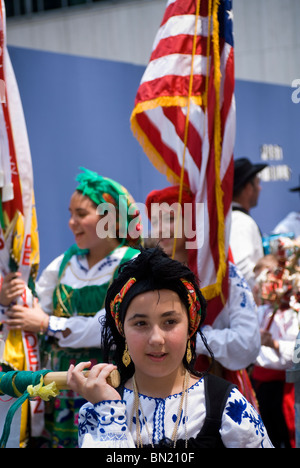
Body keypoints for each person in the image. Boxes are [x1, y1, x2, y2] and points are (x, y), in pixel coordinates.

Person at [67, 247, 273, 448]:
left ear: (190, 327)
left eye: (170, 322)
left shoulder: (228, 404)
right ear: (122, 331)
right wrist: (108, 412)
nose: (156, 338)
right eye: (141, 324)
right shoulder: (99, 408)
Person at [0, 167, 142, 448]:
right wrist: (9, 299)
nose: (71, 222)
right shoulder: (64, 263)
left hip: (110, 385)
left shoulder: (132, 263)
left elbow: (110, 326)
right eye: (70, 213)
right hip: (61, 387)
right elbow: (33, 307)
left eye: (81, 214)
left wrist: (46, 324)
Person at [145, 186, 260, 385]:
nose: (161, 229)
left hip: (215, 388)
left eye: (171, 219)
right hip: (155, 390)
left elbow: (248, 343)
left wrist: (187, 338)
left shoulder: (224, 276)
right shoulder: (143, 273)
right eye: (155, 221)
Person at [251, 249, 299, 448]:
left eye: (267, 280)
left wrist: (275, 344)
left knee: (284, 434)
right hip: (258, 381)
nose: (261, 286)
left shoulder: (294, 314)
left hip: (281, 385)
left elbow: (296, 353)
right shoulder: (262, 310)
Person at [230, 157, 267, 290]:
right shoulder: (240, 221)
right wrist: (264, 292)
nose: (260, 188)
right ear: (248, 187)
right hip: (247, 304)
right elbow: (240, 267)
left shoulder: (235, 219)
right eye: (257, 183)